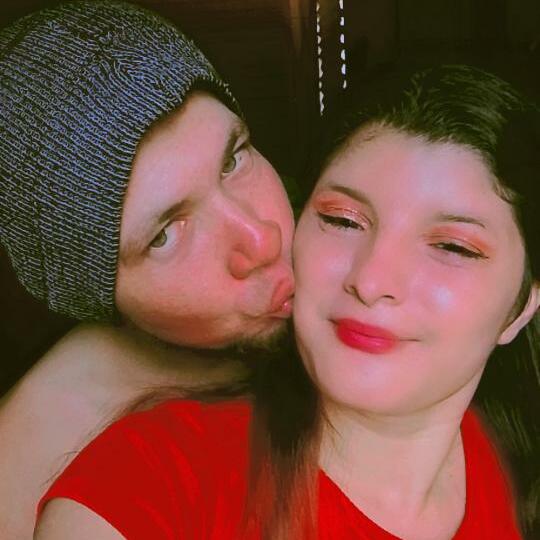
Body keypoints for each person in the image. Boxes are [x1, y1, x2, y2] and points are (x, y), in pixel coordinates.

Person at [35, 64, 540, 539]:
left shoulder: (506, 460)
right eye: (342, 220)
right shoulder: (157, 478)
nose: (370, 280)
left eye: (453, 247)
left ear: (521, 308)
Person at [0, 1, 295, 538]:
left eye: (233, 159)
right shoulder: (40, 474)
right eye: (165, 234)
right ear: (99, 299)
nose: (261, 238)